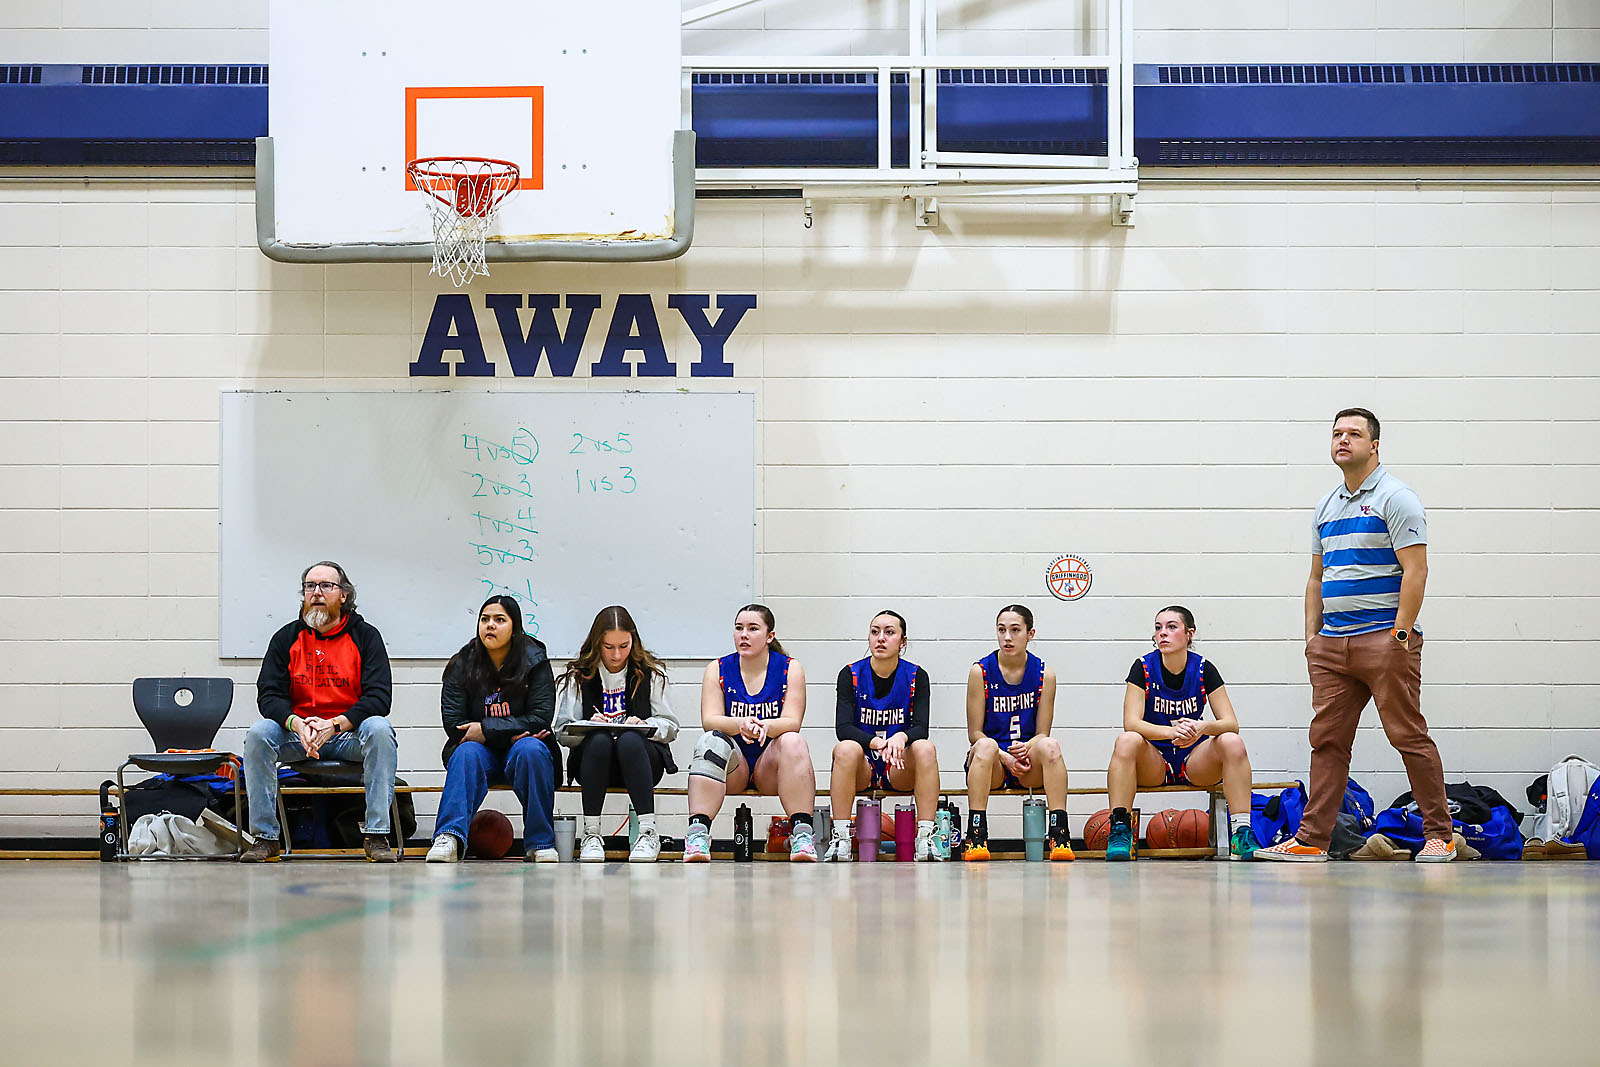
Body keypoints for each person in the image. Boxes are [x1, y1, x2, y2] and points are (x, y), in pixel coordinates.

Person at [1257, 407, 1454, 862]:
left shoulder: (1397, 497)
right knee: (1327, 742)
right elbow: (1315, 578)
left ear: (1374, 445)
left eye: (1353, 434)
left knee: (1408, 737)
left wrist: (1400, 635)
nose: (1343, 440)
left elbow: (1416, 570)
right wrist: (1313, 637)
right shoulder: (1326, 506)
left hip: (1384, 641)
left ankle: (1438, 836)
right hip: (1331, 646)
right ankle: (1311, 840)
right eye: (1336, 434)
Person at [243, 561, 398, 862]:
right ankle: (265, 838)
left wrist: (336, 724)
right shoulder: (286, 638)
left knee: (380, 729)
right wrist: (296, 724)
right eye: (309, 586)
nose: (316, 593)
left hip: (346, 733)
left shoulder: (365, 636)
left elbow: (379, 697)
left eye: (326, 586)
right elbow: (268, 695)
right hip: (299, 734)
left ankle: (377, 836)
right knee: (259, 734)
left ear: (343, 595)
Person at [1104, 605, 1262, 861]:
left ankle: (1241, 831)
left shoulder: (1204, 669)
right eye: (1158, 628)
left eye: (1171, 627)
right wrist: (1170, 732)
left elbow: (1231, 722)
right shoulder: (1142, 667)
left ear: (1190, 634)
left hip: (1194, 760)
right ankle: (1120, 829)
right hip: (1155, 760)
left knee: (1232, 741)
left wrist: (1203, 727)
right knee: (1126, 740)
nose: (1162, 633)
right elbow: (1131, 723)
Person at [426, 595, 559, 863]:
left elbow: (541, 718)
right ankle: (448, 837)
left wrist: (486, 728)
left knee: (531, 748)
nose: (490, 626)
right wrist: (507, 729)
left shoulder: (535, 661)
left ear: (515, 627)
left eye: (500, 620)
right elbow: (454, 724)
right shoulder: (462, 662)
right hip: (480, 751)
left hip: (520, 748)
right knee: (466, 752)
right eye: (485, 619)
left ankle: (540, 842)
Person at [684, 604, 816, 862]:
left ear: (770, 636)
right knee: (710, 741)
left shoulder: (791, 668)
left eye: (753, 628)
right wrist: (740, 725)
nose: (744, 634)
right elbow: (709, 720)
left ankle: (801, 834)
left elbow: (792, 721)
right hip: (735, 768)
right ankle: (698, 835)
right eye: (739, 628)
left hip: (770, 767)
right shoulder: (718, 668)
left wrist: (765, 727)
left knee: (794, 741)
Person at [552, 605, 680, 863]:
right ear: (596, 643)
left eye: (624, 646)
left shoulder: (651, 673)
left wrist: (645, 723)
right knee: (599, 740)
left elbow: (671, 726)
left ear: (634, 641)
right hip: (593, 762)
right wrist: (587, 723)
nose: (617, 654)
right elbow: (562, 730)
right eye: (608, 647)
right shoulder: (579, 676)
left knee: (630, 739)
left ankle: (647, 831)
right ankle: (591, 833)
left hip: (640, 760)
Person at [824, 610, 941, 862]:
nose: (880, 638)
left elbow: (921, 727)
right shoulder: (850, 674)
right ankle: (842, 837)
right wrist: (876, 743)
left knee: (925, 748)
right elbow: (843, 727)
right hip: (862, 766)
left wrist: (902, 737)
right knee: (844, 748)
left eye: (889, 632)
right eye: (875, 631)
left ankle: (925, 837)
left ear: (903, 641)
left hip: (898, 766)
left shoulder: (917, 676)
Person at [961, 604, 1073, 861]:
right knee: (986, 745)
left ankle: (1059, 833)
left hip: (1026, 761)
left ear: (1030, 634)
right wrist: (1004, 756)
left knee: (1051, 744)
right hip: (993, 763)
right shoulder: (980, 671)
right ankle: (976, 835)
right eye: (1002, 630)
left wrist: (1028, 747)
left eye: (1015, 630)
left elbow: (1042, 733)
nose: (1007, 637)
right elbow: (974, 733)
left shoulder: (1046, 674)